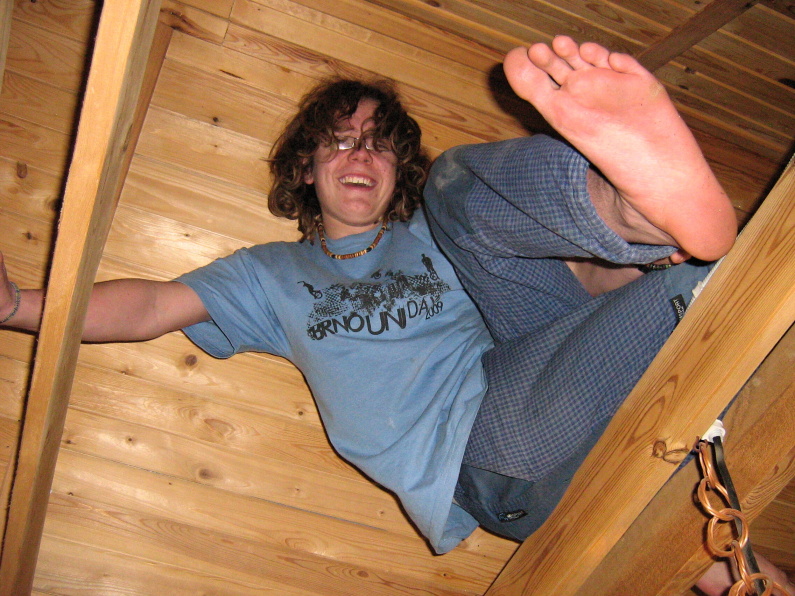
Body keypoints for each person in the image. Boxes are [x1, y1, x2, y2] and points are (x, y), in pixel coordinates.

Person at [2, 34, 790, 594]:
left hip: (547, 368)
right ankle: (676, 253)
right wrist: (18, 306)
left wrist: (643, 265)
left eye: (378, 144)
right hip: (489, 461)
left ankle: (645, 221)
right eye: (339, 141)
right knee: (462, 201)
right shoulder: (269, 275)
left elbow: (577, 289)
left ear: (393, 166)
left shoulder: (430, 228)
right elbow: (149, 304)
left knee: (459, 193)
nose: (360, 155)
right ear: (305, 167)